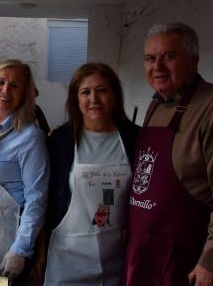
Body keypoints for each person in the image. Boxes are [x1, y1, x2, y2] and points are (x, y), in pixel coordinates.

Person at [124, 23, 213, 286]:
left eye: (169, 56)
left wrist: (212, 261)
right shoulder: (155, 105)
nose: (157, 66)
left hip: (186, 260)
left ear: (193, 60)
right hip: (142, 250)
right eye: (150, 58)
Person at [39, 63, 140, 285]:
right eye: (85, 92)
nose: (94, 99)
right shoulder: (61, 141)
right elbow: (46, 199)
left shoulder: (135, 138)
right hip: (67, 256)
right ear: (76, 99)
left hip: (118, 256)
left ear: (114, 95)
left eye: (102, 90)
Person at [0, 59, 49, 282]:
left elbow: (37, 198)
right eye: (0, 82)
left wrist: (21, 249)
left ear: (25, 93)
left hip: (8, 234)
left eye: (15, 85)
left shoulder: (31, 137)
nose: (5, 90)